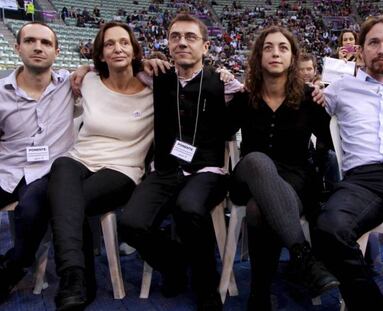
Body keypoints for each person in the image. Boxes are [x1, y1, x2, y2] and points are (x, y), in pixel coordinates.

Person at [118, 13, 243, 311]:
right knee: (130, 223)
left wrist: (233, 80)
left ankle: (206, 285)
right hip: (165, 169)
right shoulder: (156, 75)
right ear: (168, 43)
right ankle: (174, 263)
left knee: (188, 208)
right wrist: (83, 70)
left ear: (206, 46)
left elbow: (250, 99)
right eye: (175, 37)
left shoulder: (223, 82)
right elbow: (114, 67)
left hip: (206, 170)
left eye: (190, 37)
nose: (182, 42)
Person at [225, 26, 339, 311]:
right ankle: (304, 256)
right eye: (268, 47)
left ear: (292, 57)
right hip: (247, 178)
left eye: (283, 48)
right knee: (256, 160)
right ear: (258, 57)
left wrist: (335, 101)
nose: (275, 52)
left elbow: (334, 140)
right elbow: (217, 133)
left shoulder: (310, 100)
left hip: (295, 181)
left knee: (258, 209)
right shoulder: (244, 98)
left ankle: (259, 295)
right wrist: (220, 86)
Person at [48, 21, 154, 311]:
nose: (117, 48)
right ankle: (75, 276)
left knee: (68, 203)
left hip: (123, 168)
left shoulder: (154, 89)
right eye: (109, 44)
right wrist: (83, 70)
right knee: (61, 167)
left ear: (134, 50)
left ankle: (75, 281)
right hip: (80, 158)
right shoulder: (89, 81)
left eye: (123, 42)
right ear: (101, 53)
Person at [314, 16, 383, 311]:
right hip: (361, 181)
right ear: (360, 50)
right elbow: (303, 97)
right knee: (328, 230)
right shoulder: (341, 88)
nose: (382, 49)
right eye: (374, 42)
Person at [0, 22, 76, 303]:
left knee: (30, 212)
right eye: (30, 41)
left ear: (56, 51)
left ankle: (11, 269)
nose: (38, 47)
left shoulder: (70, 84)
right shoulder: (0, 92)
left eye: (45, 43)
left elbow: (111, 70)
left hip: (48, 173)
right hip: (6, 169)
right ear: (17, 47)